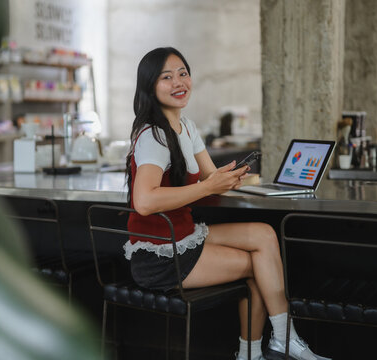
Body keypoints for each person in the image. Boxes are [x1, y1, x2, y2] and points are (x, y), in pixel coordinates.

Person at [124, 47, 331, 360]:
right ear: (150, 87)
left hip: (183, 234)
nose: (179, 81)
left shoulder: (186, 127)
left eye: (183, 73)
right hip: (159, 255)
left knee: (263, 233)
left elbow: (210, 181)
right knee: (257, 267)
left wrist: (235, 180)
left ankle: (274, 343)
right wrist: (209, 185)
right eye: (167, 77)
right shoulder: (154, 135)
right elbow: (144, 200)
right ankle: (262, 349)